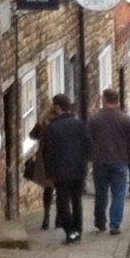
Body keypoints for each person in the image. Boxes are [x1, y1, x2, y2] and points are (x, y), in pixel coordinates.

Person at [88, 88, 130, 234]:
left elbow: (88, 140)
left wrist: (91, 155)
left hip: (100, 160)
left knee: (101, 193)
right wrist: (128, 156)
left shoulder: (94, 119)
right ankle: (115, 224)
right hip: (120, 160)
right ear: (117, 100)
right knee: (119, 193)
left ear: (104, 99)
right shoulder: (125, 119)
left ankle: (100, 222)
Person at [43, 94, 89, 244]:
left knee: (63, 202)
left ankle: (70, 232)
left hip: (60, 171)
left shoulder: (52, 127)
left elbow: (47, 152)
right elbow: (88, 146)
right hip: (78, 170)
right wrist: (84, 163)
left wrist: (49, 172)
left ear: (57, 107)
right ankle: (78, 229)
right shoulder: (79, 124)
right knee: (76, 200)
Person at [28, 105, 57, 229]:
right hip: (59, 157)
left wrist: (40, 122)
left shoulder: (45, 122)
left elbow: (32, 135)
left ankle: (46, 217)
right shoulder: (63, 121)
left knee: (48, 189)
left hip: (45, 159)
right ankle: (59, 218)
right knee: (61, 188)